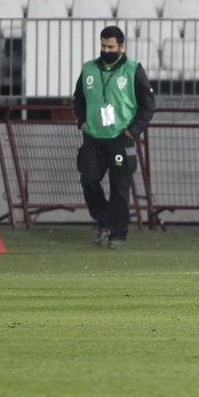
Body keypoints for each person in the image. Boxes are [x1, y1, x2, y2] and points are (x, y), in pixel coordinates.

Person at [71, 25, 155, 249]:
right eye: (103, 45)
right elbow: (78, 99)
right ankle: (104, 218)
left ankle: (118, 234)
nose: (106, 49)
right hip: (93, 136)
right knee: (88, 179)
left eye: (110, 46)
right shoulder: (89, 69)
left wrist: (132, 131)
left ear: (121, 46)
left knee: (120, 187)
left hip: (121, 136)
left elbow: (148, 105)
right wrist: (81, 121)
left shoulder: (133, 69)